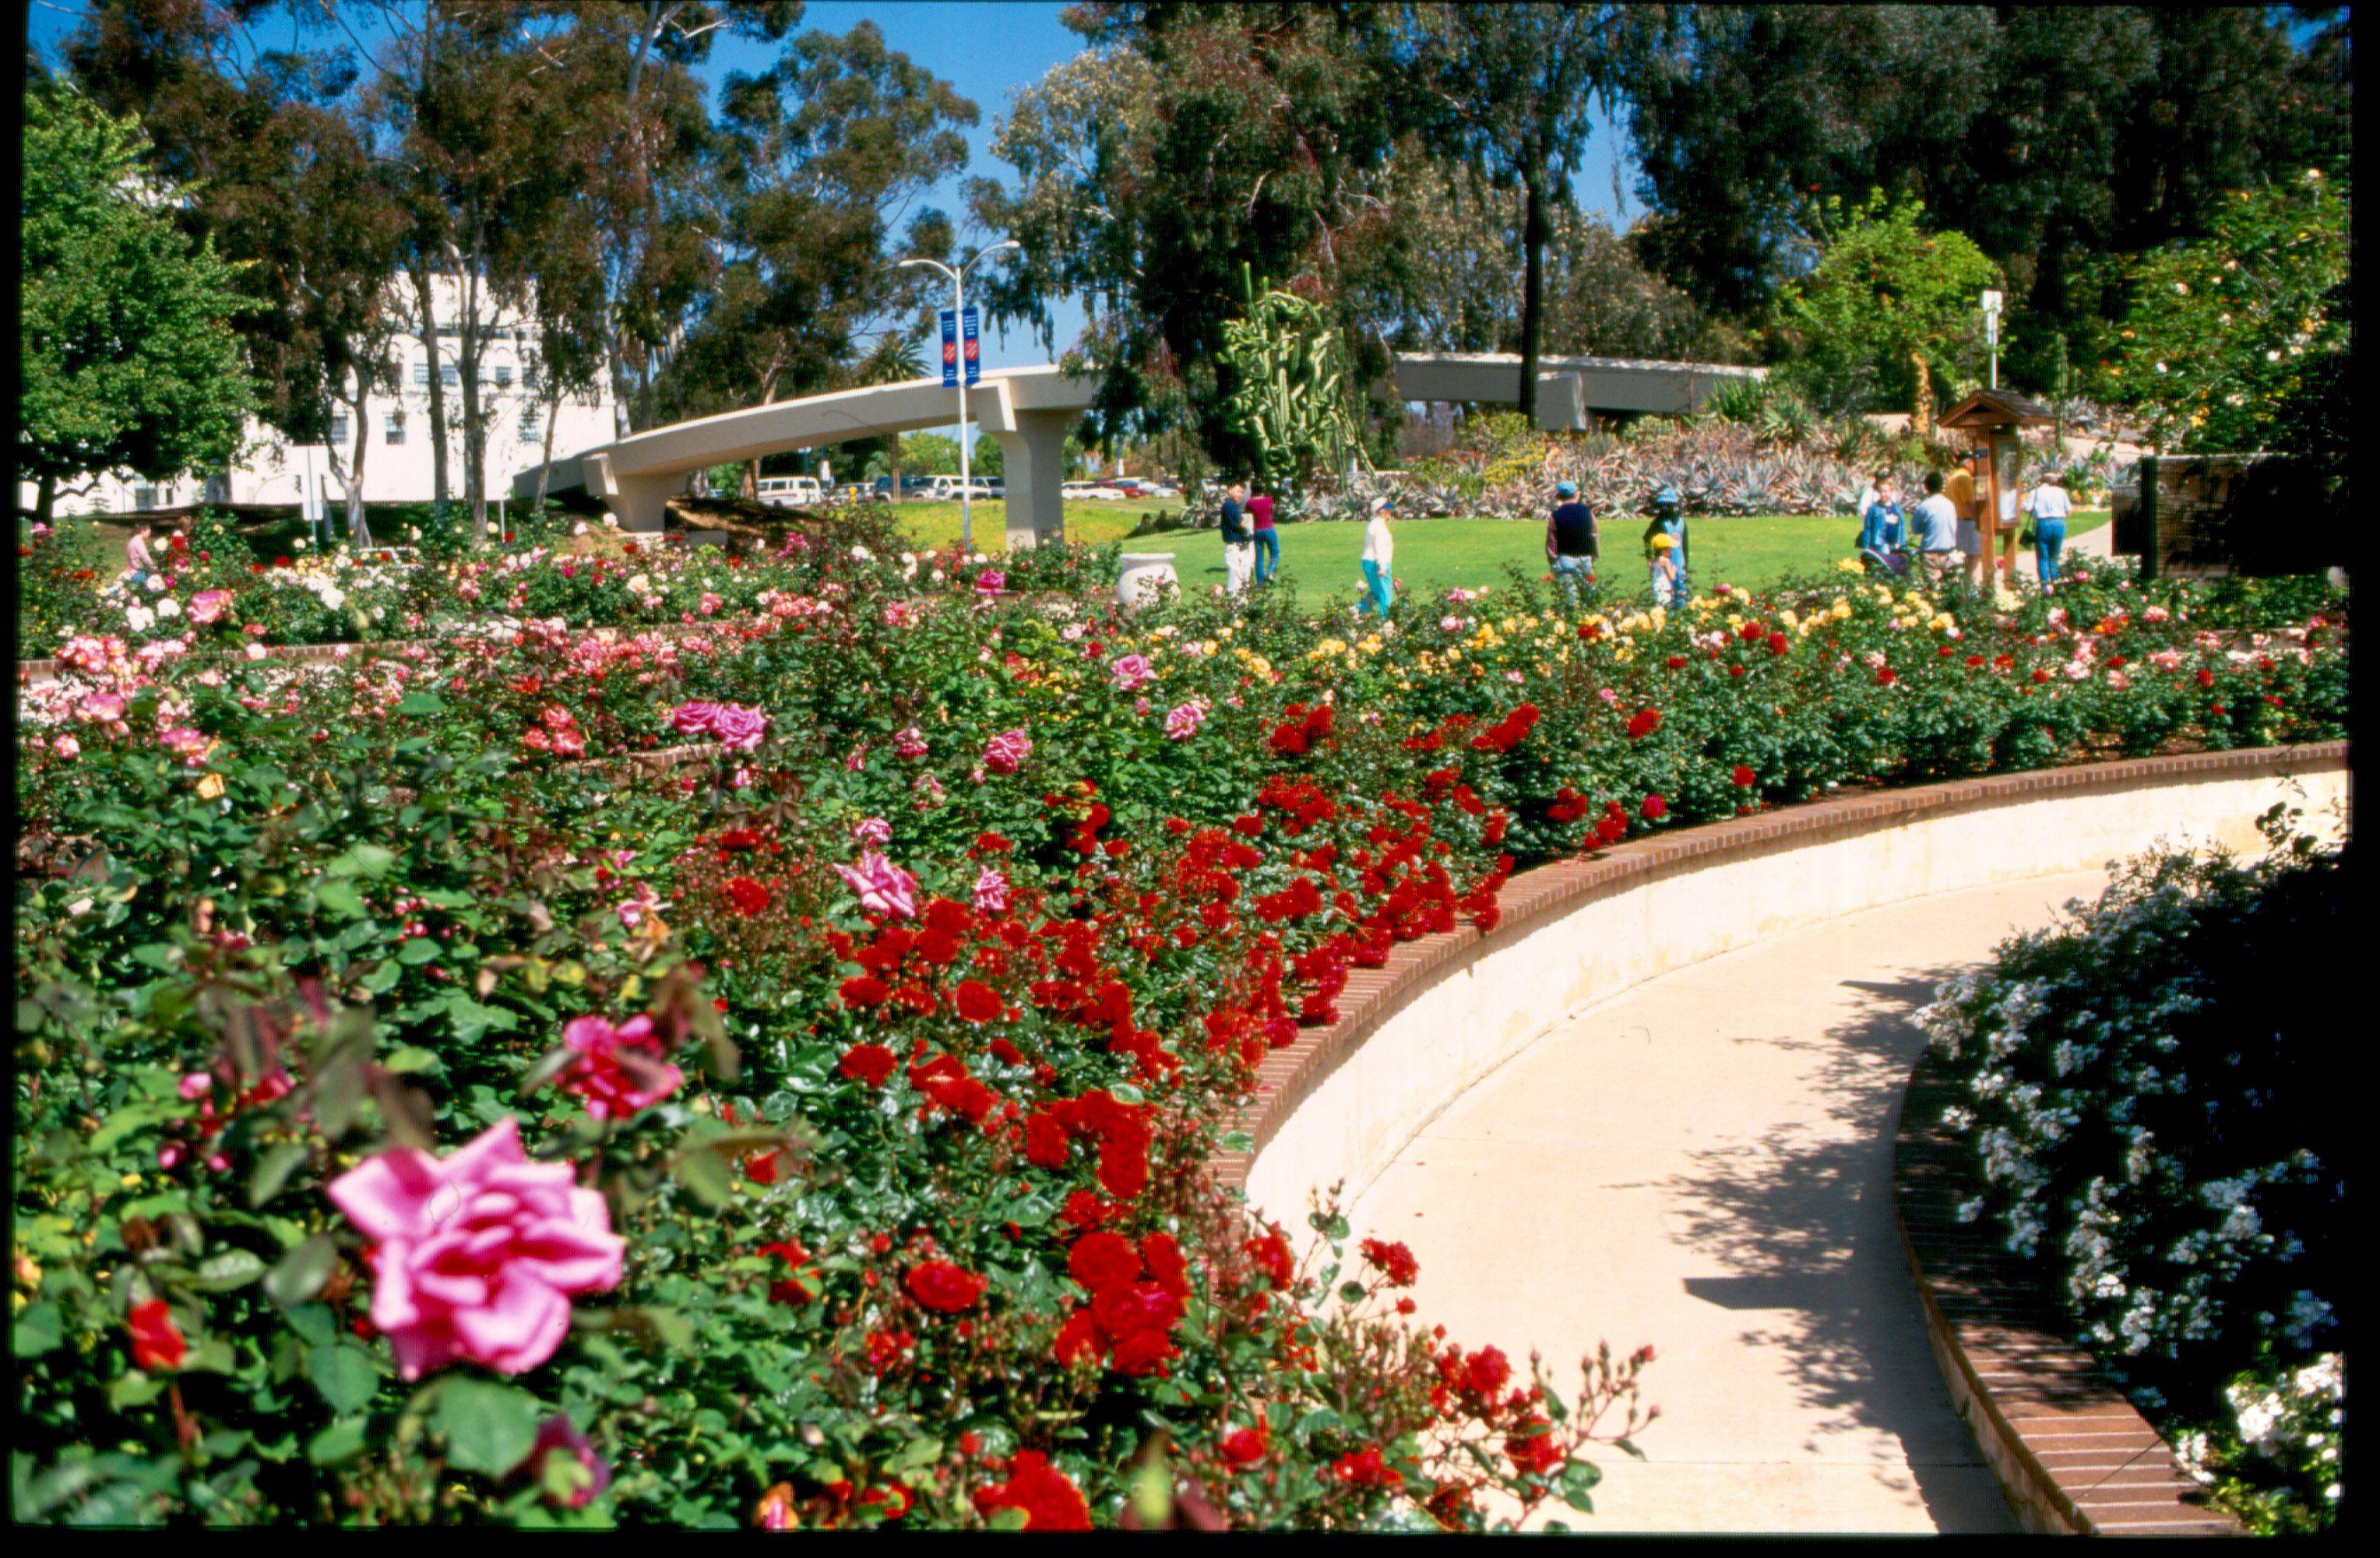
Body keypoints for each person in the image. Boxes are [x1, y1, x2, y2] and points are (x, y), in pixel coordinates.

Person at [1545, 480, 1598, 604]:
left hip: (1565, 558)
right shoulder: (1587, 512)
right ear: (1576, 494)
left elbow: (1552, 539)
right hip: (1585, 557)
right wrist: (1593, 554)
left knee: (1569, 597)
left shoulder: (1555, 515)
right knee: (1588, 595)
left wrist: (1552, 559)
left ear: (1559, 496)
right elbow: (1594, 534)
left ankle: (1571, 618)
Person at [2023, 466, 2073, 592]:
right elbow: (2069, 511)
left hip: (2043, 523)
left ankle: (2045, 585)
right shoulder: (2061, 492)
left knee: (2042, 556)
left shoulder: (2035, 492)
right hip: (2059, 522)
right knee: (2054, 556)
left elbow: (2028, 509)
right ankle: (2056, 582)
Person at [1640, 486, 1688, 602]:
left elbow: (1685, 546)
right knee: (1667, 591)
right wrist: (1650, 557)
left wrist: (1686, 563)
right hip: (1665, 564)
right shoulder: (1658, 523)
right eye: (1663, 506)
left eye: (1668, 506)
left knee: (1680, 591)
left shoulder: (1681, 523)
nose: (1665, 509)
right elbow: (1647, 538)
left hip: (1679, 563)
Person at [1946, 452, 1986, 588]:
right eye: (1973, 462)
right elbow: (1970, 505)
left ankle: (1963, 588)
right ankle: (1970, 590)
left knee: (1962, 559)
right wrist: (1981, 521)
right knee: (1972, 560)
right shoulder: (1965, 478)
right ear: (1967, 463)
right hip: (1968, 522)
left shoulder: (1952, 477)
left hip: (1957, 520)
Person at [1912, 470, 1960, 581]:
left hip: (1930, 553)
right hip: (1949, 552)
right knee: (1950, 587)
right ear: (1941, 486)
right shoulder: (1950, 505)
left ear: (1926, 487)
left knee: (1931, 589)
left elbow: (1915, 529)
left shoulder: (1924, 506)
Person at [1358, 494, 1396, 619]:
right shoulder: (1379, 526)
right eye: (1388, 510)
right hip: (1376, 562)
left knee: (1376, 593)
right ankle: (1385, 620)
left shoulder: (1375, 524)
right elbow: (1380, 547)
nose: (1390, 512)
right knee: (1386, 593)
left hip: (1370, 561)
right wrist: (1382, 567)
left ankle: (1358, 609)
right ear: (1381, 511)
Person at [1219, 482, 1254, 596]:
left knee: (1238, 578)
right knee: (1236, 580)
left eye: (1242, 493)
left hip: (1237, 546)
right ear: (1230, 490)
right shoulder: (1230, 506)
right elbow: (1241, 524)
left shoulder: (1231, 506)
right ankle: (1235, 605)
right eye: (1238, 491)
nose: (1240, 495)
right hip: (1235, 547)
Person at [1857, 478, 1906, 558]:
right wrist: (1866, 549)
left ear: (1891, 492)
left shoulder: (1897, 509)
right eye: (1881, 491)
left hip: (1894, 546)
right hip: (1879, 546)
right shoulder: (1874, 509)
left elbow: (1902, 528)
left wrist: (1902, 545)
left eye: (1885, 491)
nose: (1883, 494)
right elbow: (1867, 529)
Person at [1248, 487, 1279, 584]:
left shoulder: (1250, 503)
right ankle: (1270, 571)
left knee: (1259, 557)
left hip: (1257, 530)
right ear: (1262, 492)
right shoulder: (1268, 500)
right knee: (1274, 552)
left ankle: (1260, 583)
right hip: (1269, 529)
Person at [1647, 531, 1680, 607]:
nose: (1671, 550)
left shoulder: (1652, 561)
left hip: (1656, 587)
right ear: (1663, 551)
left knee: (1658, 607)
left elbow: (1651, 571)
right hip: (1666, 589)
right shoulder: (1666, 561)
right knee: (1667, 608)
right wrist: (1674, 570)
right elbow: (1672, 577)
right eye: (1670, 549)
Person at [125, 520, 158, 588]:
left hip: (131, 568)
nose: (149, 534)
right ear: (143, 531)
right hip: (138, 572)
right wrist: (155, 568)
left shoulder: (133, 540)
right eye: (148, 532)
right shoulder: (139, 542)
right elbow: (145, 558)